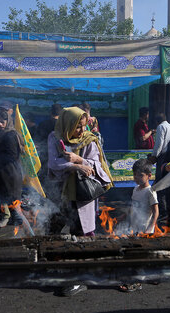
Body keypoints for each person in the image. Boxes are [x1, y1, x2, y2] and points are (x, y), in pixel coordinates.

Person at [47, 107, 113, 296]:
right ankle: (56, 269)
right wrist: (75, 165)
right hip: (59, 193)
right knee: (53, 229)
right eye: (77, 127)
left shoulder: (89, 139)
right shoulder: (55, 136)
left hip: (82, 194)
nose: (81, 131)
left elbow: (96, 165)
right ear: (68, 124)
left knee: (81, 233)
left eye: (83, 127)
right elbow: (53, 163)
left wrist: (79, 160)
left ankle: (79, 278)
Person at [119, 158, 159, 293]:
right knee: (140, 255)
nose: (136, 178)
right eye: (135, 174)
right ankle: (150, 276)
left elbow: (156, 212)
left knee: (141, 256)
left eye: (140, 175)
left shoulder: (150, 191)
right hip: (135, 228)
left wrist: (150, 228)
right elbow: (133, 206)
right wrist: (124, 216)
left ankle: (137, 282)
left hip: (146, 229)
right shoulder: (135, 189)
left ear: (149, 176)